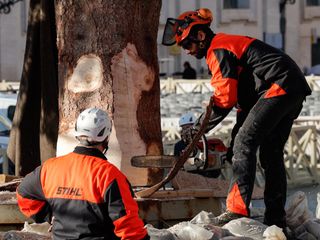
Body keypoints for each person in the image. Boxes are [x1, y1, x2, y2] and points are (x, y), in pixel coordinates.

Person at [162, 8, 312, 229]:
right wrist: (233, 146)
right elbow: (245, 102)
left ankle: (236, 210)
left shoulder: (218, 49)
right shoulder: (225, 47)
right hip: (290, 87)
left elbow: (224, 99)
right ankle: (275, 219)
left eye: (187, 44)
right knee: (269, 153)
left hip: (279, 85)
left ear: (201, 36)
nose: (186, 51)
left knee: (245, 143)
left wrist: (196, 131)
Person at [16, 108, 149, 240]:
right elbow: (130, 228)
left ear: (78, 134)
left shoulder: (49, 168)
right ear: (106, 137)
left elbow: (24, 195)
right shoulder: (109, 175)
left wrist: (49, 216)